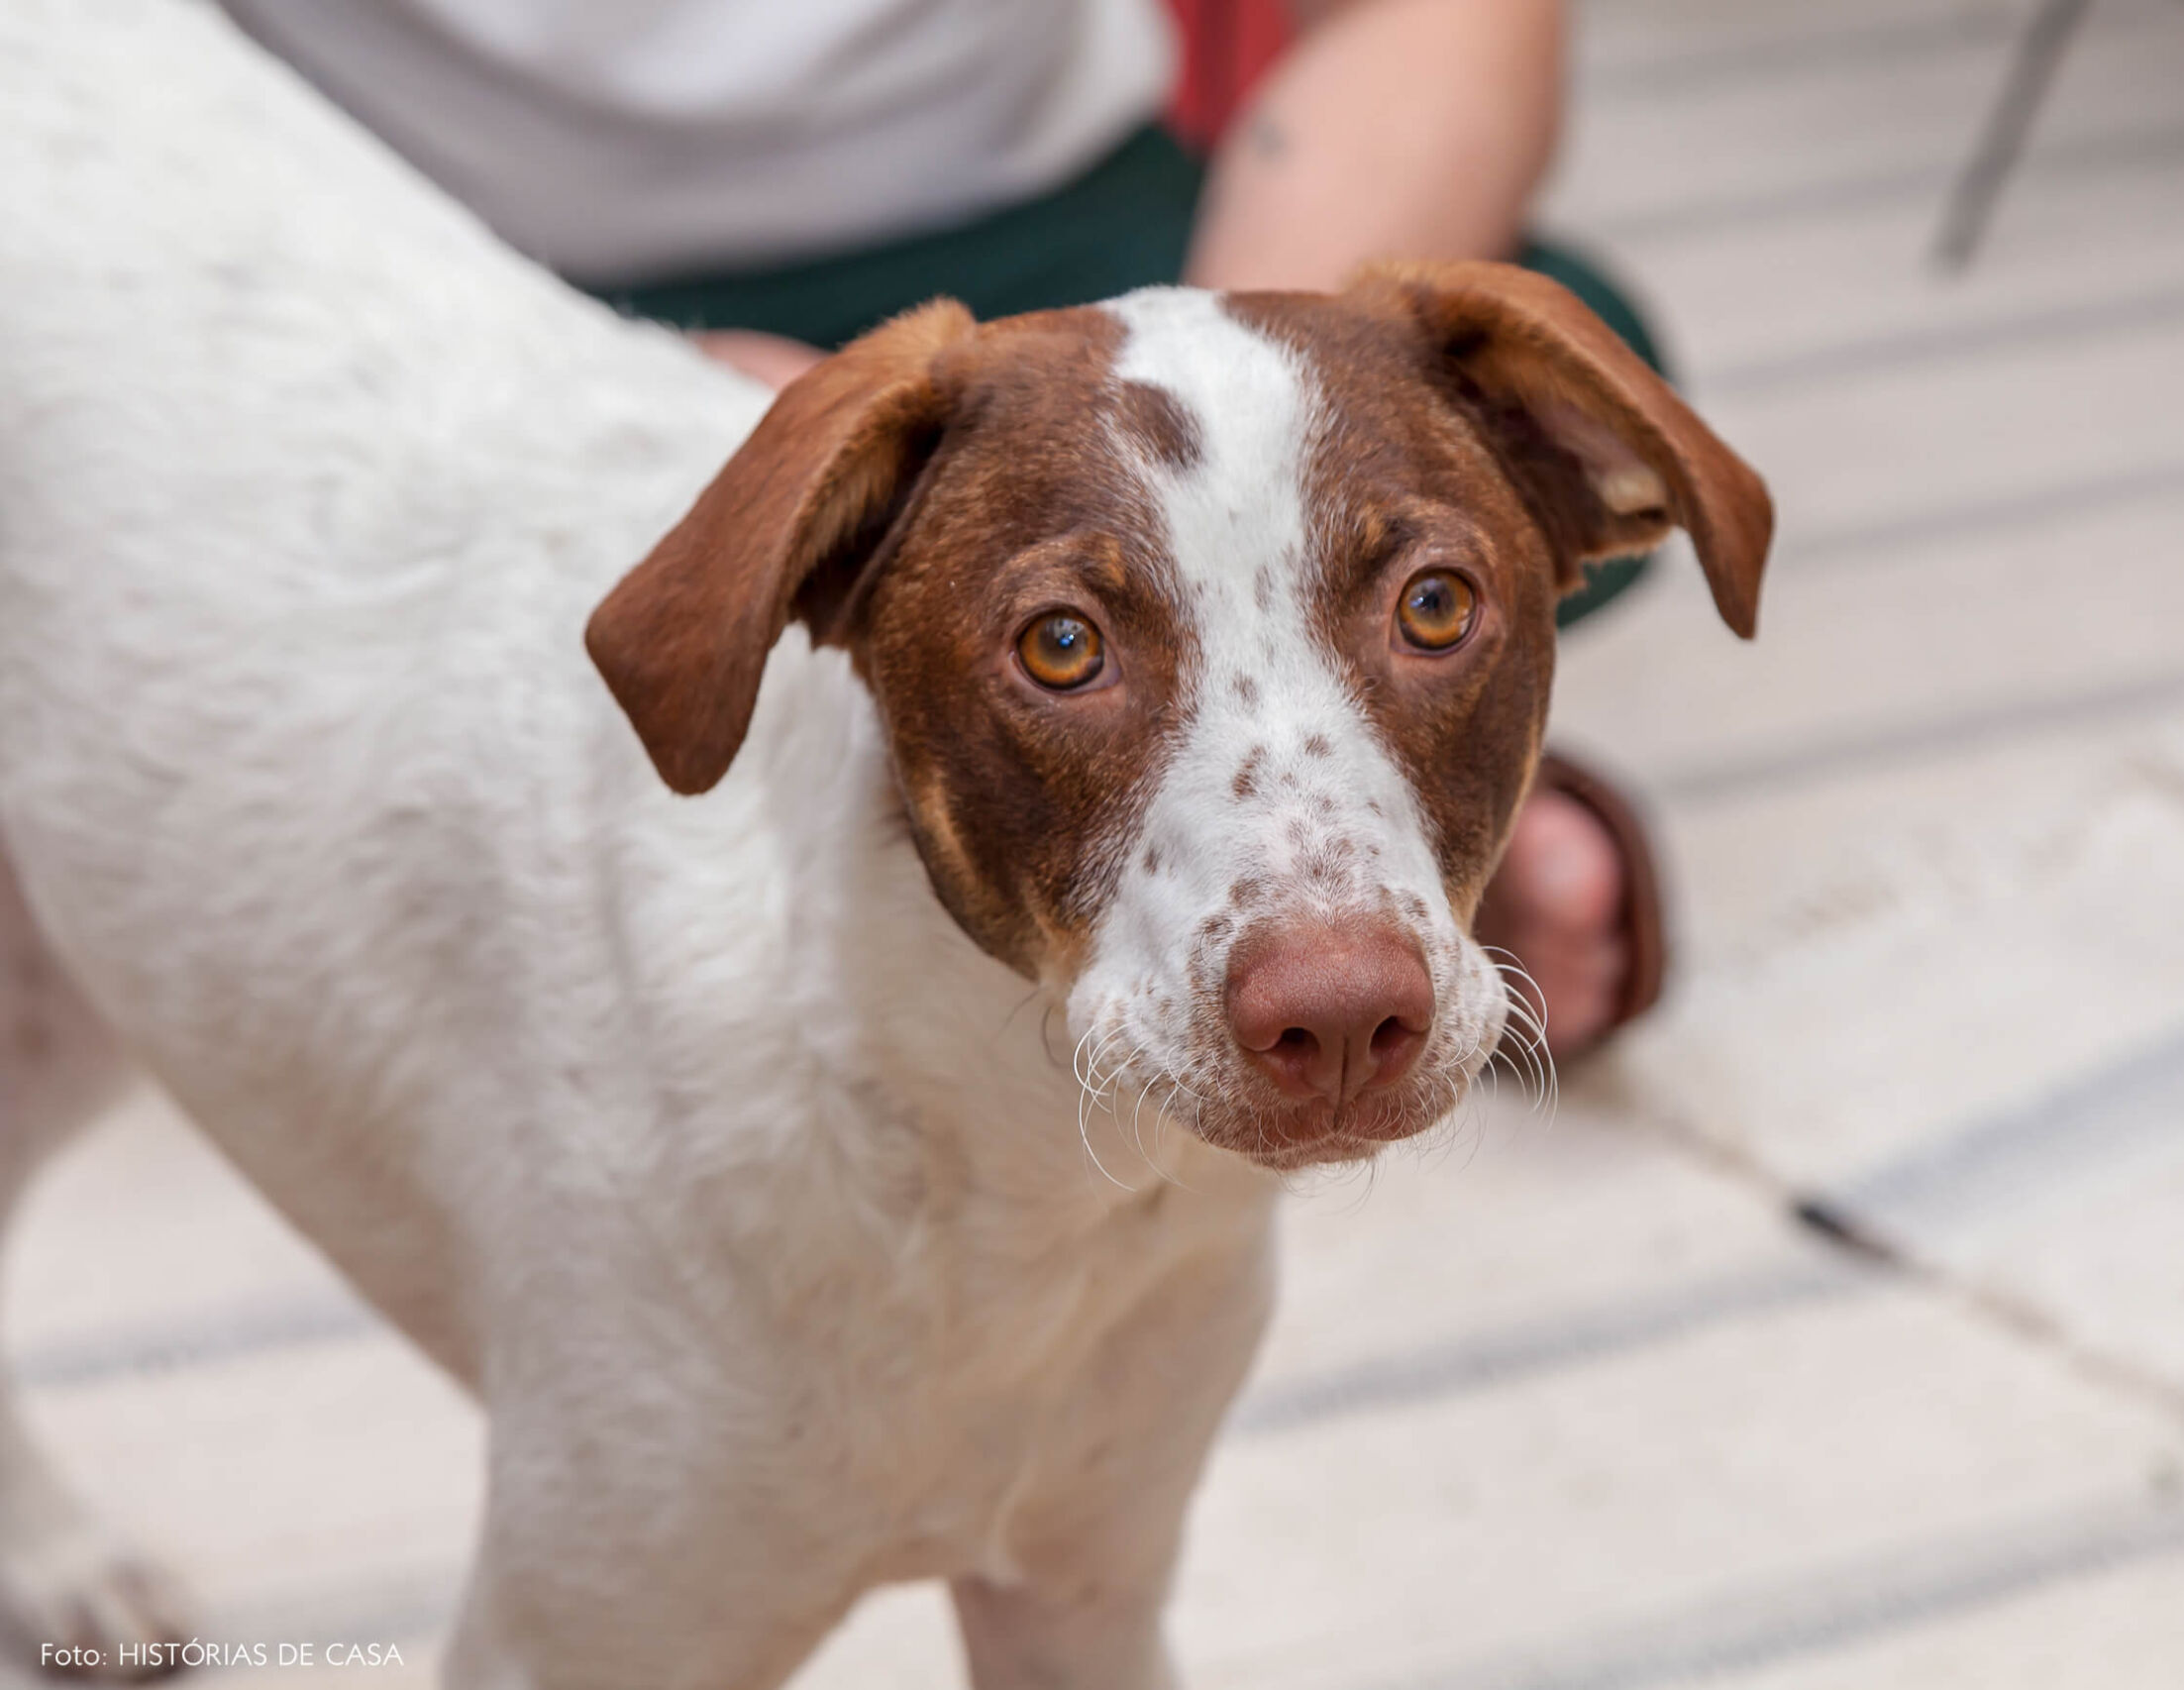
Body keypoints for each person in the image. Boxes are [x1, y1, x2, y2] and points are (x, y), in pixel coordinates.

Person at [217, 0, 1675, 1058]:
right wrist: (617, 386)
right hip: (446, 250)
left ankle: (1318, 823)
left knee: (1558, 385)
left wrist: (1216, 453)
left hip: (1042, 221)